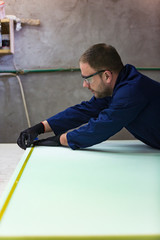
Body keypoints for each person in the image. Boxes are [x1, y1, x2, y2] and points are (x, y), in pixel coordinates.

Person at [17, 43, 160, 150]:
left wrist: (59, 140)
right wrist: (40, 128)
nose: (85, 85)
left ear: (106, 76)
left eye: (88, 79)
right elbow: (84, 110)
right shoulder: (120, 84)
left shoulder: (131, 91)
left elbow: (101, 128)